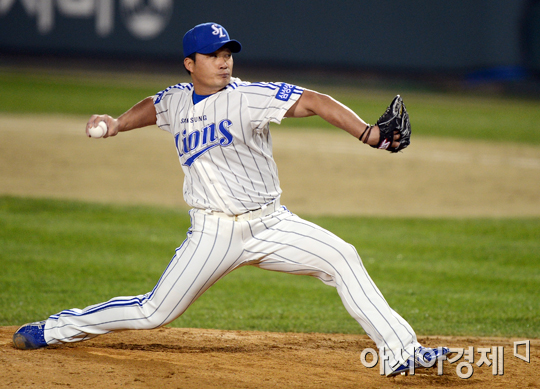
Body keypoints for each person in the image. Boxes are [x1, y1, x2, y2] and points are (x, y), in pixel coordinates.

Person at [13, 22, 449, 376]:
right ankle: (55, 329)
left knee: (342, 257)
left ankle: (401, 351)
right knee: (153, 313)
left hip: (272, 224)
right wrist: (116, 124)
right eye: (213, 55)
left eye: (227, 54)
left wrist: (370, 135)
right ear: (190, 63)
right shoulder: (178, 100)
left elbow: (314, 100)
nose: (223, 62)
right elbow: (155, 105)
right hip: (213, 232)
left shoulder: (249, 97)